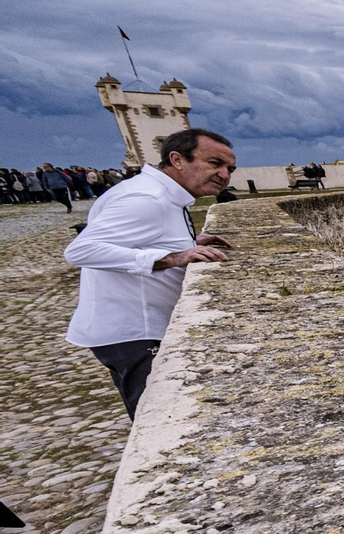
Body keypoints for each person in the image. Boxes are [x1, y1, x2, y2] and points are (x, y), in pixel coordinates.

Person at [64, 128, 236, 418]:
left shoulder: (156, 193)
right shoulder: (147, 198)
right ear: (177, 159)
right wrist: (171, 257)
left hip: (130, 330)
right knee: (162, 418)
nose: (224, 175)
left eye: (229, 168)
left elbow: (133, 237)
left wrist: (186, 244)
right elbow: (81, 251)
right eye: (215, 163)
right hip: (136, 333)